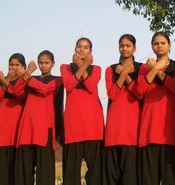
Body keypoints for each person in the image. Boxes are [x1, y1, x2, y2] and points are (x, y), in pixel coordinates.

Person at [136, 32, 175, 185]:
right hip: (149, 130)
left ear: (169, 45)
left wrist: (158, 70)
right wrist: (155, 67)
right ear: (152, 46)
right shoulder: (145, 67)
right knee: (149, 179)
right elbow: (140, 90)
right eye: (156, 43)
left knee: (172, 178)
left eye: (163, 43)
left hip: (170, 129)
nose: (159, 46)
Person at [13, 50, 63, 185]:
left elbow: (45, 89)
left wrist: (27, 76)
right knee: (25, 169)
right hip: (28, 127)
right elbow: (16, 91)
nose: (43, 65)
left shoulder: (57, 80)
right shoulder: (31, 78)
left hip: (45, 127)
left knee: (45, 170)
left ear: (53, 63)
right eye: (40, 62)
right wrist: (26, 75)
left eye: (46, 63)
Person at [60, 37, 104, 185]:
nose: (82, 50)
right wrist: (82, 65)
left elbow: (91, 86)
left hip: (93, 125)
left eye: (86, 47)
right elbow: (69, 85)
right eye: (79, 47)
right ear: (75, 49)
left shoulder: (96, 68)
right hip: (73, 126)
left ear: (90, 51)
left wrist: (81, 65)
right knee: (71, 172)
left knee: (96, 171)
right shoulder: (65, 67)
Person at [103, 34, 142, 185]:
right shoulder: (111, 69)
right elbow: (112, 94)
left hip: (133, 130)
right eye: (122, 45)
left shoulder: (141, 68)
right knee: (112, 177)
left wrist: (125, 75)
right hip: (113, 130)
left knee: (130, 177)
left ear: (134, 48)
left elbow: (139, 92)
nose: (124, 48)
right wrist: (123, 72)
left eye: (128, 45)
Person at [0, 53, 27, 185]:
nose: (14, 67)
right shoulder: (2, 81)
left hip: (18, 134)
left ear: (23, 66)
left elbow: (18, 94)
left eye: (17, 65)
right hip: (2, 135)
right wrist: (6, 79)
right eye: (11, 65)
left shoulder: (25, 81)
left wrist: (5, 79)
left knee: (17, 176)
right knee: (3, 176)